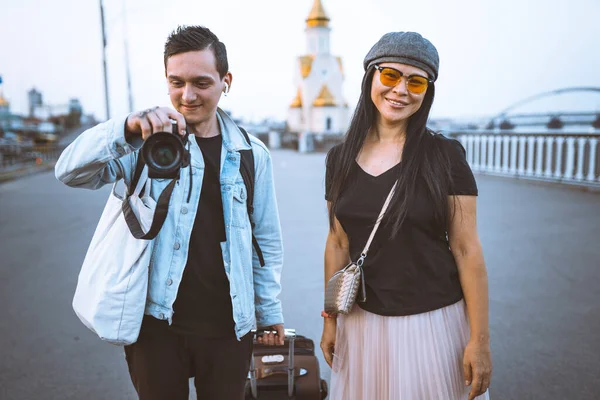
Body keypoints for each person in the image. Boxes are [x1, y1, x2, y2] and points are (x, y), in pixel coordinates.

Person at [55, 25, 285, 400]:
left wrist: (269, 309)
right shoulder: (142, 143)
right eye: (176, 82)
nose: (187, 95)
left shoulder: (250, 153)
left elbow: (266, 239)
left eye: (201, 83)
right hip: (156, 325)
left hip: (230, 327)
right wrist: (126, 127)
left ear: (226, 81)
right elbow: (69, 171)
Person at [320, 32, 492, 400]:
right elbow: (337, 242)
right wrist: (330, 321)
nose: (401, 89)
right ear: (371, 78)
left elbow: (467, 250)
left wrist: (479, 340)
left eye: (416, 81)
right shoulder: (339, 159)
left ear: (426, 91)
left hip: (432, 323)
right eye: (390, 76)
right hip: (362, 323)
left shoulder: (444, 156)